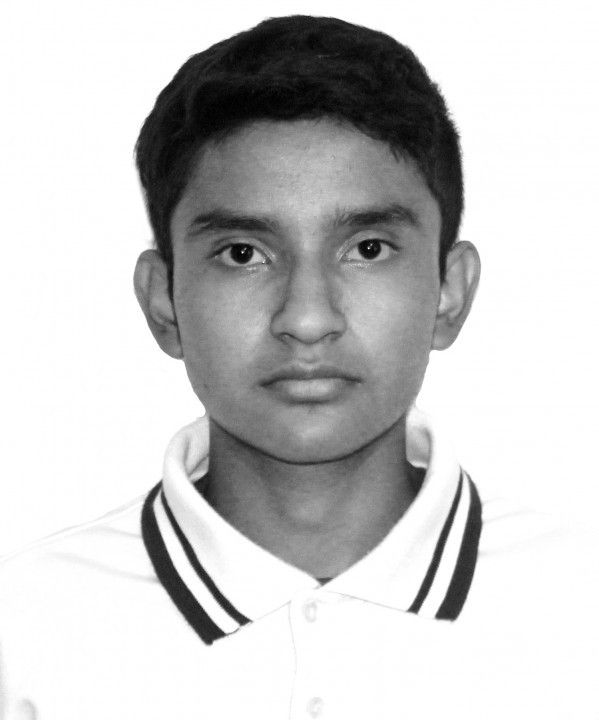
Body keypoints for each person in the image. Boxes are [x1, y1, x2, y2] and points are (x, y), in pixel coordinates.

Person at [0, 14, 596, 720]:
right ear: (163, 302)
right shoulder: (27, 632)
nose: (308, 318)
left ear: (449, 292)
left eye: (368, 249)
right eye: (243, 254)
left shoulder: (578, 613)